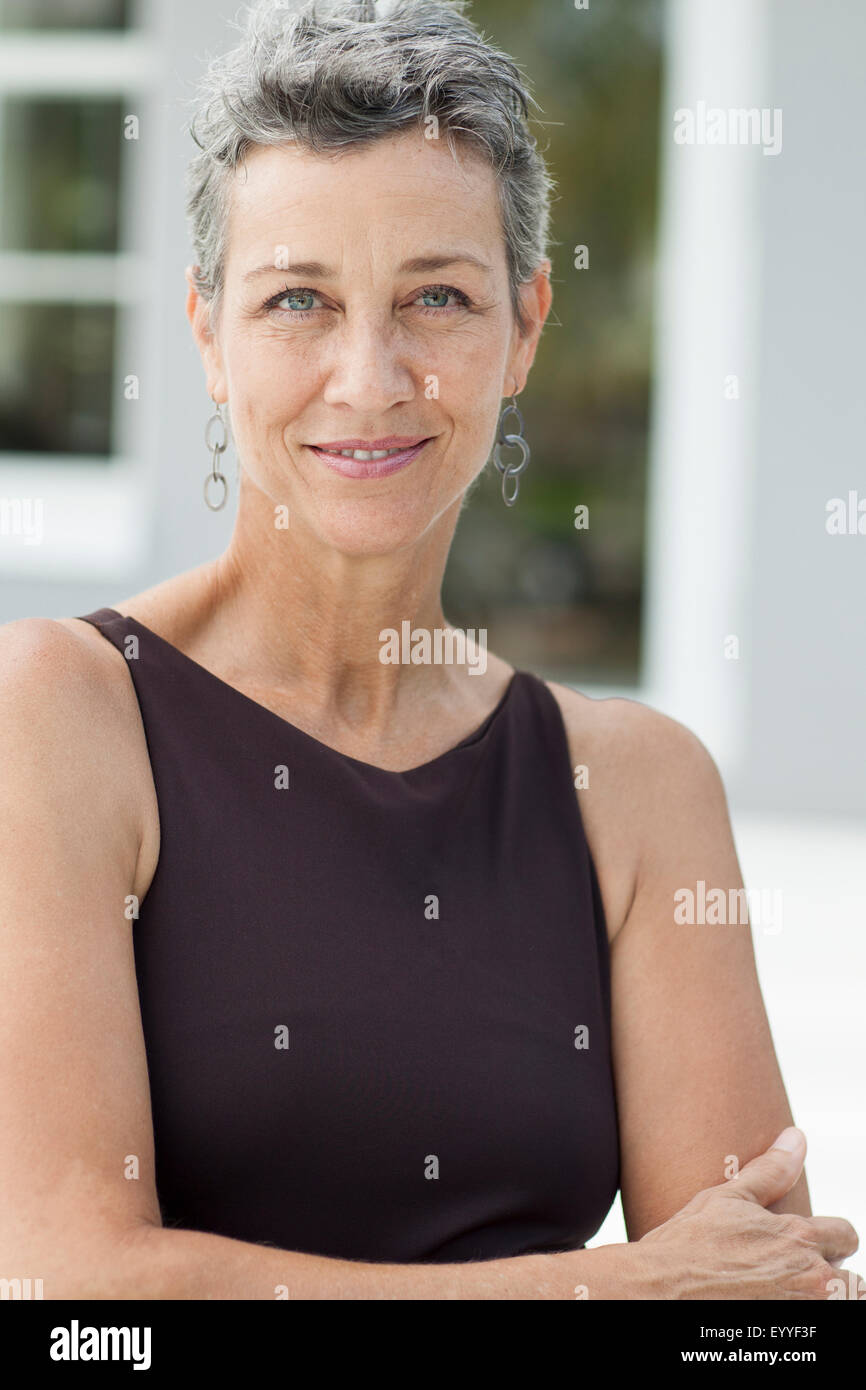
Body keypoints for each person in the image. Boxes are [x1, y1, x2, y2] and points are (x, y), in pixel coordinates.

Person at [0, 0, 859, 1299]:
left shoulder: (636, 785)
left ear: (522, 327)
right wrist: (591, 1288)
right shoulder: (64, 712)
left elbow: (755, 1303)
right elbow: (78, 1290)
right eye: (297, 298)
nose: (369, 374)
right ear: (205, 333)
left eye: (436, 299)